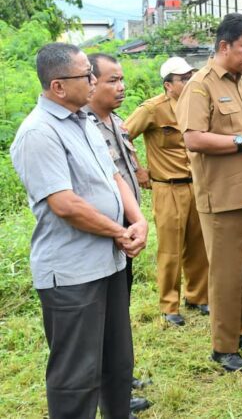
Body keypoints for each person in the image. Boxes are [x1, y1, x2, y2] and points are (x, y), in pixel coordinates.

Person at [10, 43, 148, 419]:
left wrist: (137, 220)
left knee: (117, 364)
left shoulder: (84, 120)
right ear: (57, 87)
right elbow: (65, 204)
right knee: (76, 375)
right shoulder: (38, 133)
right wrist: (119, 233)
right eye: (85, 75)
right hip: (72, 274)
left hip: (109, 266)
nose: (93, 81)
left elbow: (114, 174)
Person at [177, 13, 242, 373]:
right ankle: (223, 347)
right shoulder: (200, 85)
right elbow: (193, 138)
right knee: (226, 274)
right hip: (223, 198)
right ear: (224, 47)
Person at [84, 53, 152, 415]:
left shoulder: (117, 122)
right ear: (90, 82)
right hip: (103, 233)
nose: (121, 86)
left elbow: (127, 171)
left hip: (128, 231)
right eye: (112, 80)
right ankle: (103, 387)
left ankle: (117, 376)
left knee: (119, 310)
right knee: (100, 317)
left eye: (122, 79)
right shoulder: (84, 129)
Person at [124, 56, 210, 325]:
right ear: (168, 85)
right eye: (183, 79)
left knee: (199, 246)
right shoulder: (153, 109)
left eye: (190, 77)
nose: (189, 82)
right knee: (171, 248)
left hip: (197, 184)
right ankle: (169, 305)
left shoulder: (197, 106)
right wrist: (138, 169)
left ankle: (197, 296)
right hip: (168, 187)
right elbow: (122, 135)